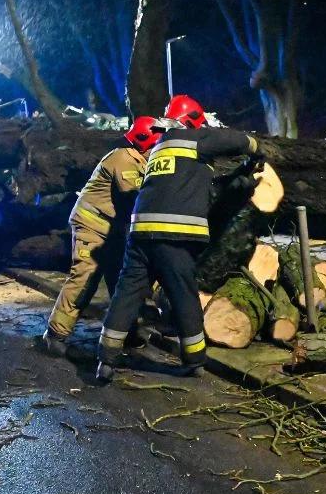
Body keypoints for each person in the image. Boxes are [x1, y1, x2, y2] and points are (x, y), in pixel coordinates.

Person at [97, 96, 260, 381]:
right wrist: (257, 147)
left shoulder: (160, 148)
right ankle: (195, 360)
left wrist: (242, 176)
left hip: (140, 236)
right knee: (184, 294)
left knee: (128, 292)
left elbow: (192, 187)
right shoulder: (193, 139)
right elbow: (234, 141)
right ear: (192, 121)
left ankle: (106, 358)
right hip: (173, 237)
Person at [41, 116, 164, 356]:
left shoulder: (138, 159)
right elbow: (135, 197)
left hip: (112, 230)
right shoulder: (123, 158)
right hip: (92, 226)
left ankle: (124, 333)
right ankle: (56, 334)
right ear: (146, 141)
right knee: (85, 278)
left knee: (122, 281)